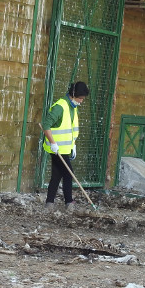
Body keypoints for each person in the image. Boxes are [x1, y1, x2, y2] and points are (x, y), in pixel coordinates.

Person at [41, 81, 89, 210]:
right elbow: (46, 125)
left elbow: (71, 129)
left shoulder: (72, 107)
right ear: (73, 94)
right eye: (80, 98)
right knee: (69, 174)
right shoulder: (60, 106)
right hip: (57, 149)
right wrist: (53, 143)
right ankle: (69, 203)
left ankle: (49, 203)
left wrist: (73, 145)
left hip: (65, 149)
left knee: (57, 175)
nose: (81, 101)